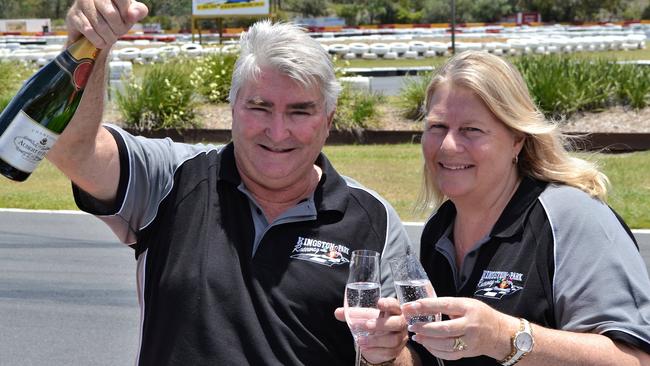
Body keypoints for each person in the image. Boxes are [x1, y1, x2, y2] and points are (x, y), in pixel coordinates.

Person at [48, 1, 414, 365]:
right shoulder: (171, 178)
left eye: (300, 111)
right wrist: (90, 46)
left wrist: (386, 356)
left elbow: (420, 352)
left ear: (328, 120)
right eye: (260, 107)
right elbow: (73, 151)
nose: (277, 131)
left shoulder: (373, 220)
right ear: (233, 107)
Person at [399, 51, 650, 365]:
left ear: (517, 138)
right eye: (437, 127)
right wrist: (387, 352)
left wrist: (505, 337)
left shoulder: (571, 216)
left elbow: (635, 359)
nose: (448, 145)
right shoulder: (439, 231)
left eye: (471, 130)